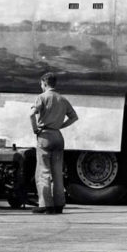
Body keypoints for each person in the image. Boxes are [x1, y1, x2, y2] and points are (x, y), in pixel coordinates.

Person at [29, 72, 78, 215]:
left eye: (41, 84)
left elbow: (31, 114)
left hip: (44, 136)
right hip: (58, 136)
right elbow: (74, 117)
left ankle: (46, 205)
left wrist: (35, 129)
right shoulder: (62, 99)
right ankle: (59, 204)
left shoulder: (42, 97)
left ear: (44, 83)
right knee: (58, 172)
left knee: (43, 172)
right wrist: (60, 126)